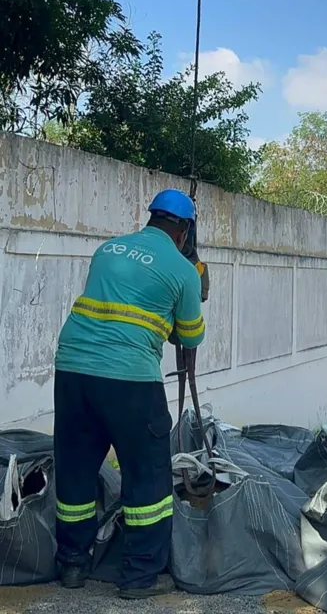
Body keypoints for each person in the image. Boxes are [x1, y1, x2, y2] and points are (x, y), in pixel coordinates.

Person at [53, 189, 206, 599]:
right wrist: (196, 287)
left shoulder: (108, 249)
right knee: (146, 474)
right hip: (130, 379)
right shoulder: (183, 270)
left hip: (73, 370)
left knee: (77, 468)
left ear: (152, 218)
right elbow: (190, 334)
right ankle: (139, 577)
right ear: (184, 231)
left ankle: (72, 563)